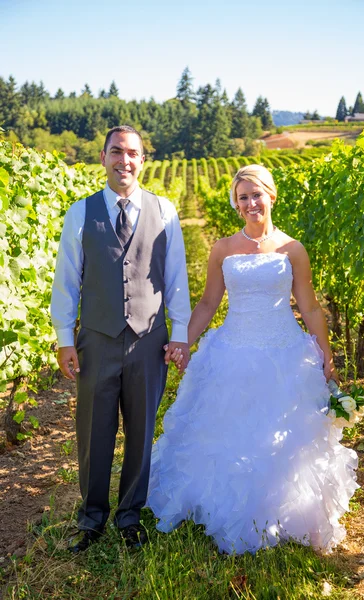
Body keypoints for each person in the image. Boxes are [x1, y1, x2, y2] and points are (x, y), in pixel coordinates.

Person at [147, 164, 358, 555]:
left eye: (256, 194)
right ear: (237, 204)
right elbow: (209, 303)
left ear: (271, 196)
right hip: (233, 349)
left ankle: (290, 512)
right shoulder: (223, 248)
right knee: (226, 431)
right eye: (242, 197)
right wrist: (183, 342)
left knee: (285, 434)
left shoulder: (292, 249)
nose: (250, 203)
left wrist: (325, 354)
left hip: (284, 351)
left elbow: (309, 308)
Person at [51, 125, 191, 553]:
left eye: (132, 153)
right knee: (93, 431)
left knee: (141, 430)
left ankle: (130, 516)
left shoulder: (165, 211)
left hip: (149, 339)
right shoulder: (81, 212)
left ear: (143, 160)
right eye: (116, 152)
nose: (124, 160)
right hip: (96, 338)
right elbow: (67, 280)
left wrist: (180, 333)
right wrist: (64, 336)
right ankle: (92, 518)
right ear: (103, 157)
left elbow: (176, 279)